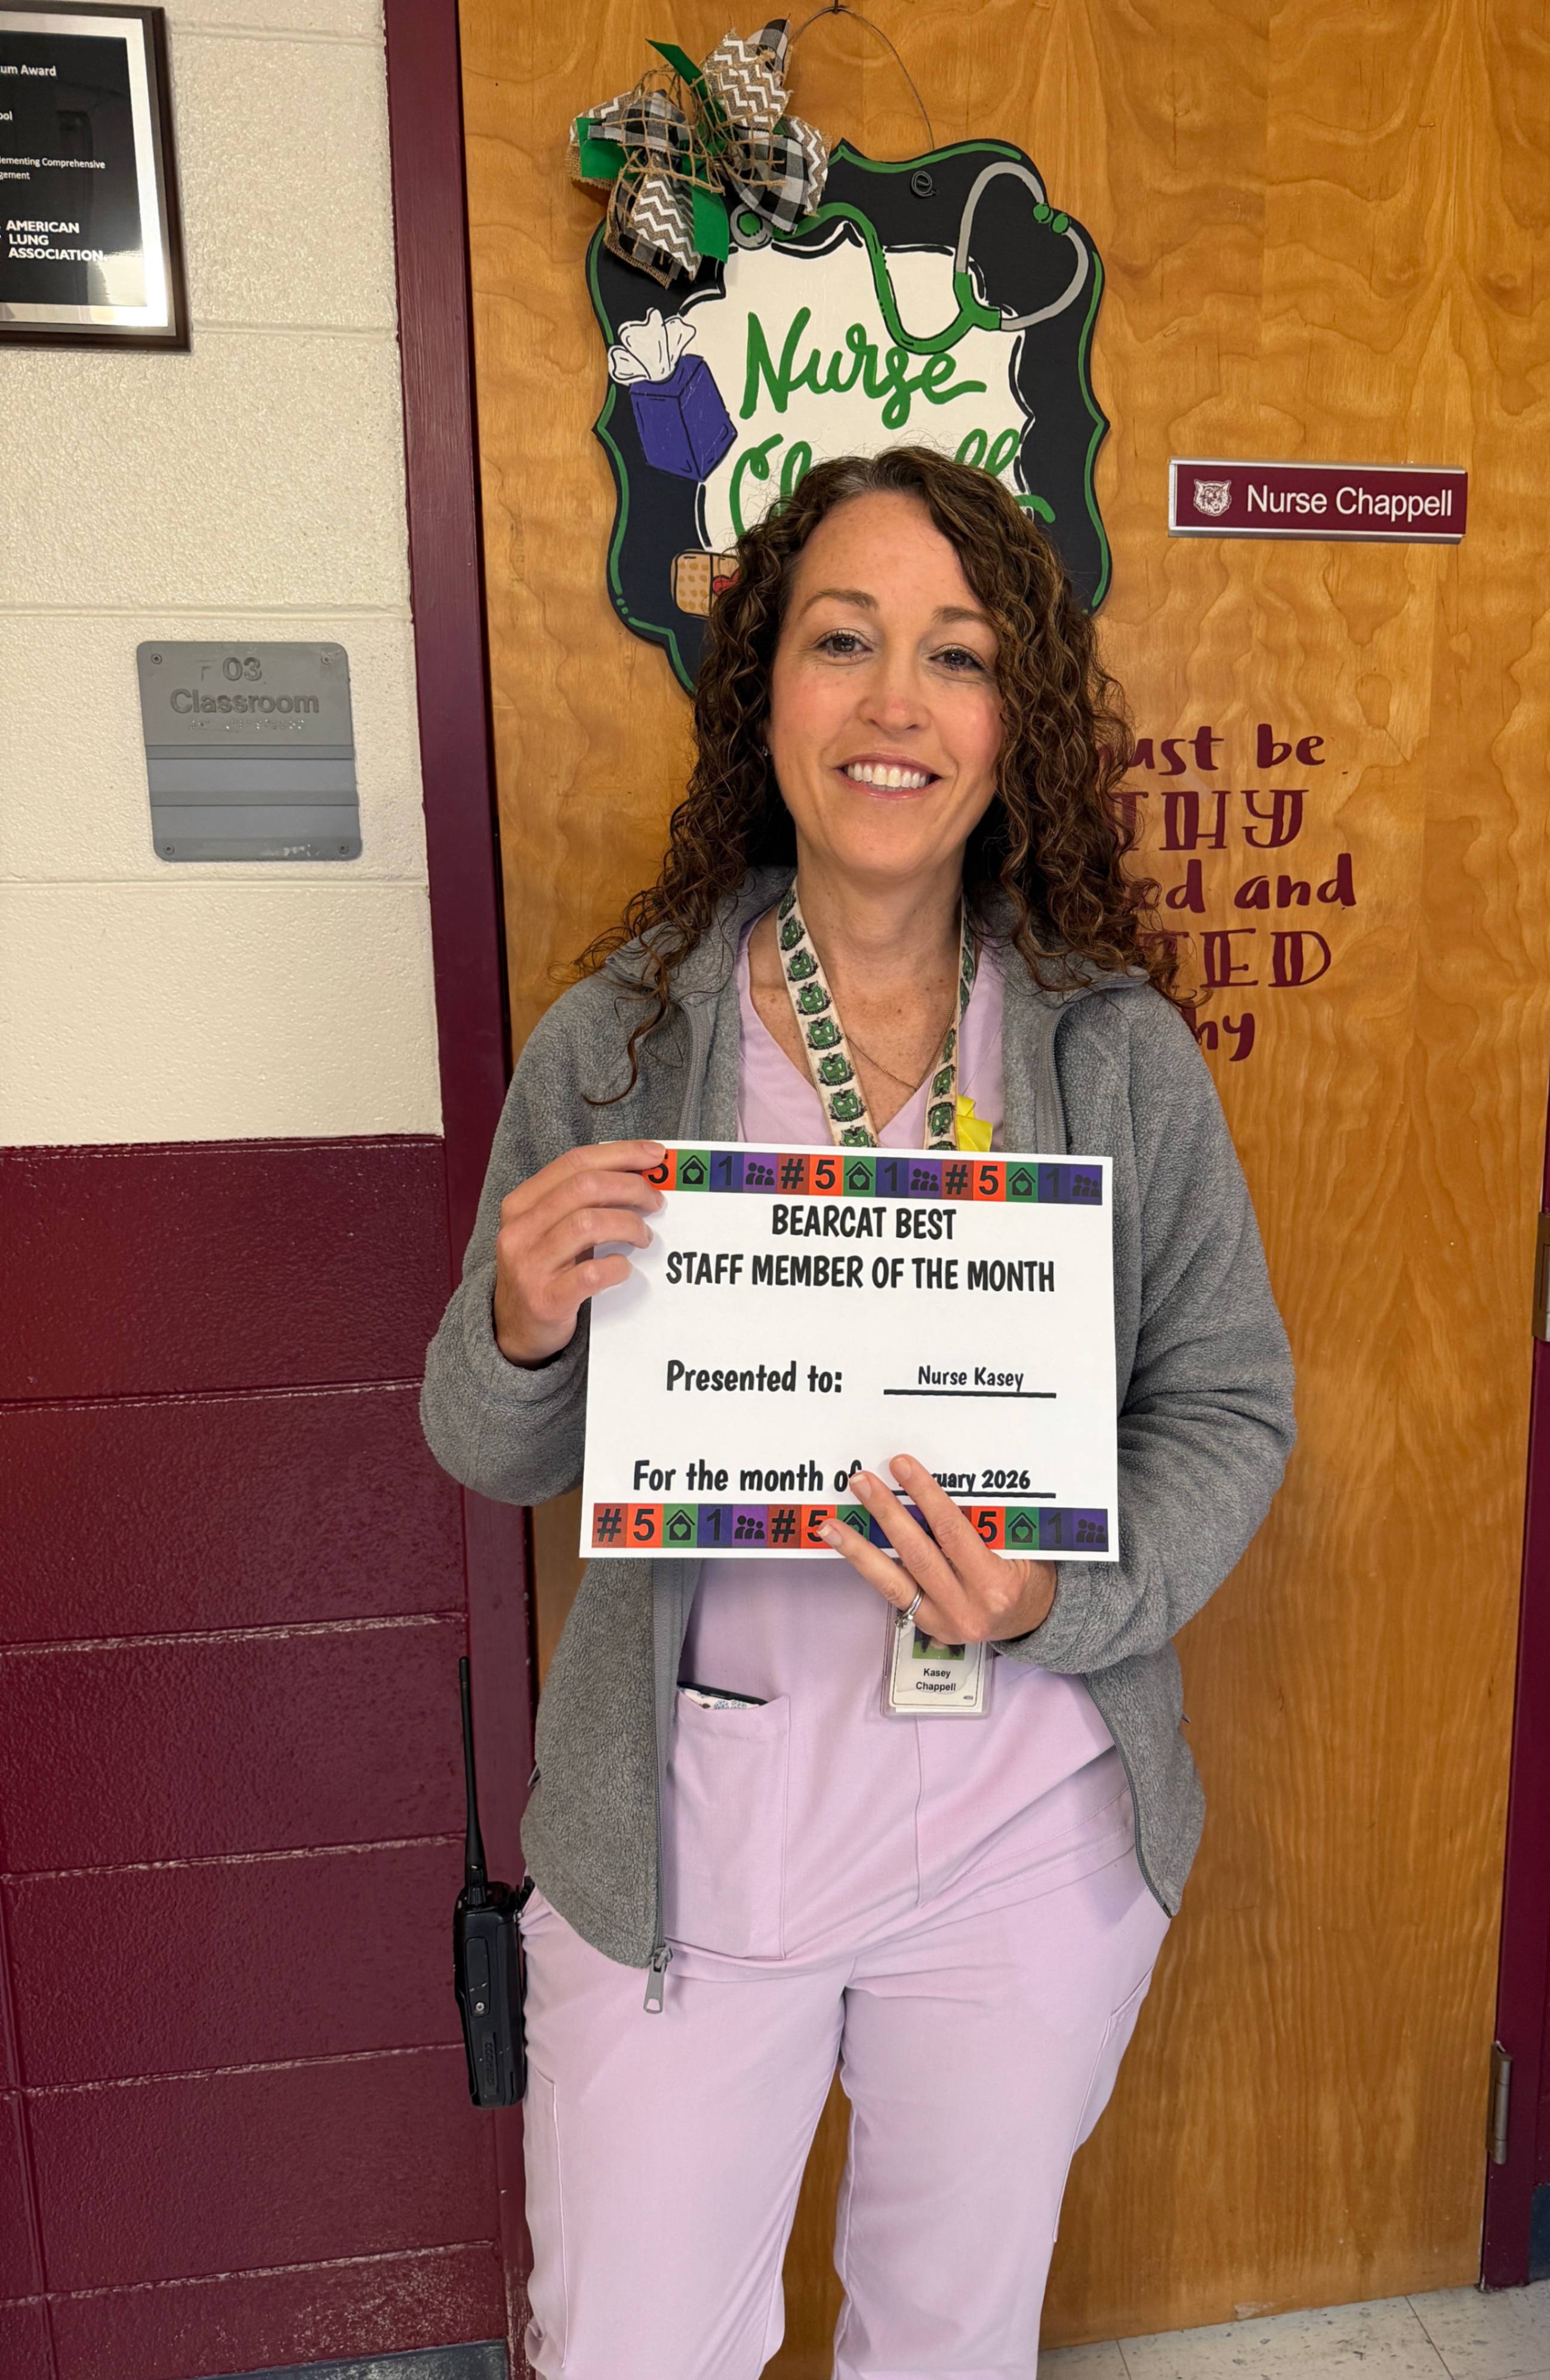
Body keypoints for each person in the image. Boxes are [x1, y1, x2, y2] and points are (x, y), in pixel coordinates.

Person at [421, 447, 1294, 2380]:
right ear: (768, 700)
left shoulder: (1104, 1047)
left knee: (948, 2344)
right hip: (695, 1843)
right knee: (635, 2348)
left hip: (1019, 1823)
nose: (897, 702)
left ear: (1012, 726)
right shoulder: (621, 1037)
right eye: (843, 641)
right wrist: (520, 1315)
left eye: (957, 655)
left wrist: (1053, 1598)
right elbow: (486, 1442)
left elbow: (1228, 1401)